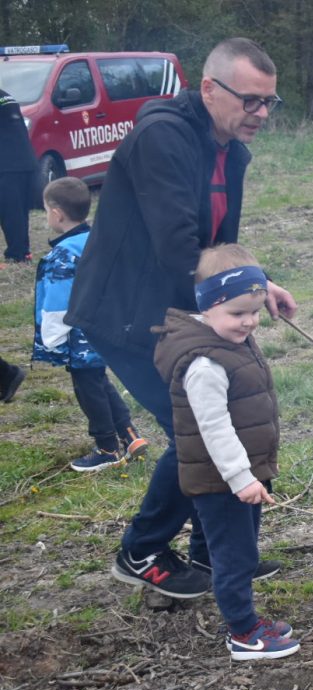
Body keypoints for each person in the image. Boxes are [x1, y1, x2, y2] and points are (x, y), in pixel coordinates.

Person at [66, 38, 295, 599]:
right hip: (125, 312)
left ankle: (214, 553)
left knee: (227, 415)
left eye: (270, 103)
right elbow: (176, 248)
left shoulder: (232, 152)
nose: (261, 114)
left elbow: (219, 244)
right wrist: (239, 291)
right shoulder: (161, 136)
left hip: (180, 307)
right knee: (189, 429)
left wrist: (256, 283)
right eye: (251, 101)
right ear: (210, 89)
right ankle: (141, 550)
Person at [153, 245, 297, 660]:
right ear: (208, 306)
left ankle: (246, 620)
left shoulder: (230, 340)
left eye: (253, 312)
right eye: (238, 313)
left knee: (242, 549)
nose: (249, 321)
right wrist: (241, 478)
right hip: (222, 482)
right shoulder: (204, 364)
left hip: (241, 476)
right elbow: (213, 427)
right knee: (234, 556)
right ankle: (244, 634)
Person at [32, 177, 148, 472]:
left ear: (56, 213)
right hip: (108, 327)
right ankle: (130, 434)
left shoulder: (62, 254)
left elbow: (58, 301)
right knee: (98, 380)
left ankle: (107, 447)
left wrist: (52, 337)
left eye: (46, 210)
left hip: (79, 334)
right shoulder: (99, 240)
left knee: (87, 387)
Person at [1, 86, 36, 263]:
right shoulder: (5, 96)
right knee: (18, 211)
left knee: (11, 212)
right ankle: (21, 252)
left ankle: (18, 255)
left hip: (8, 164)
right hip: (20, 161)